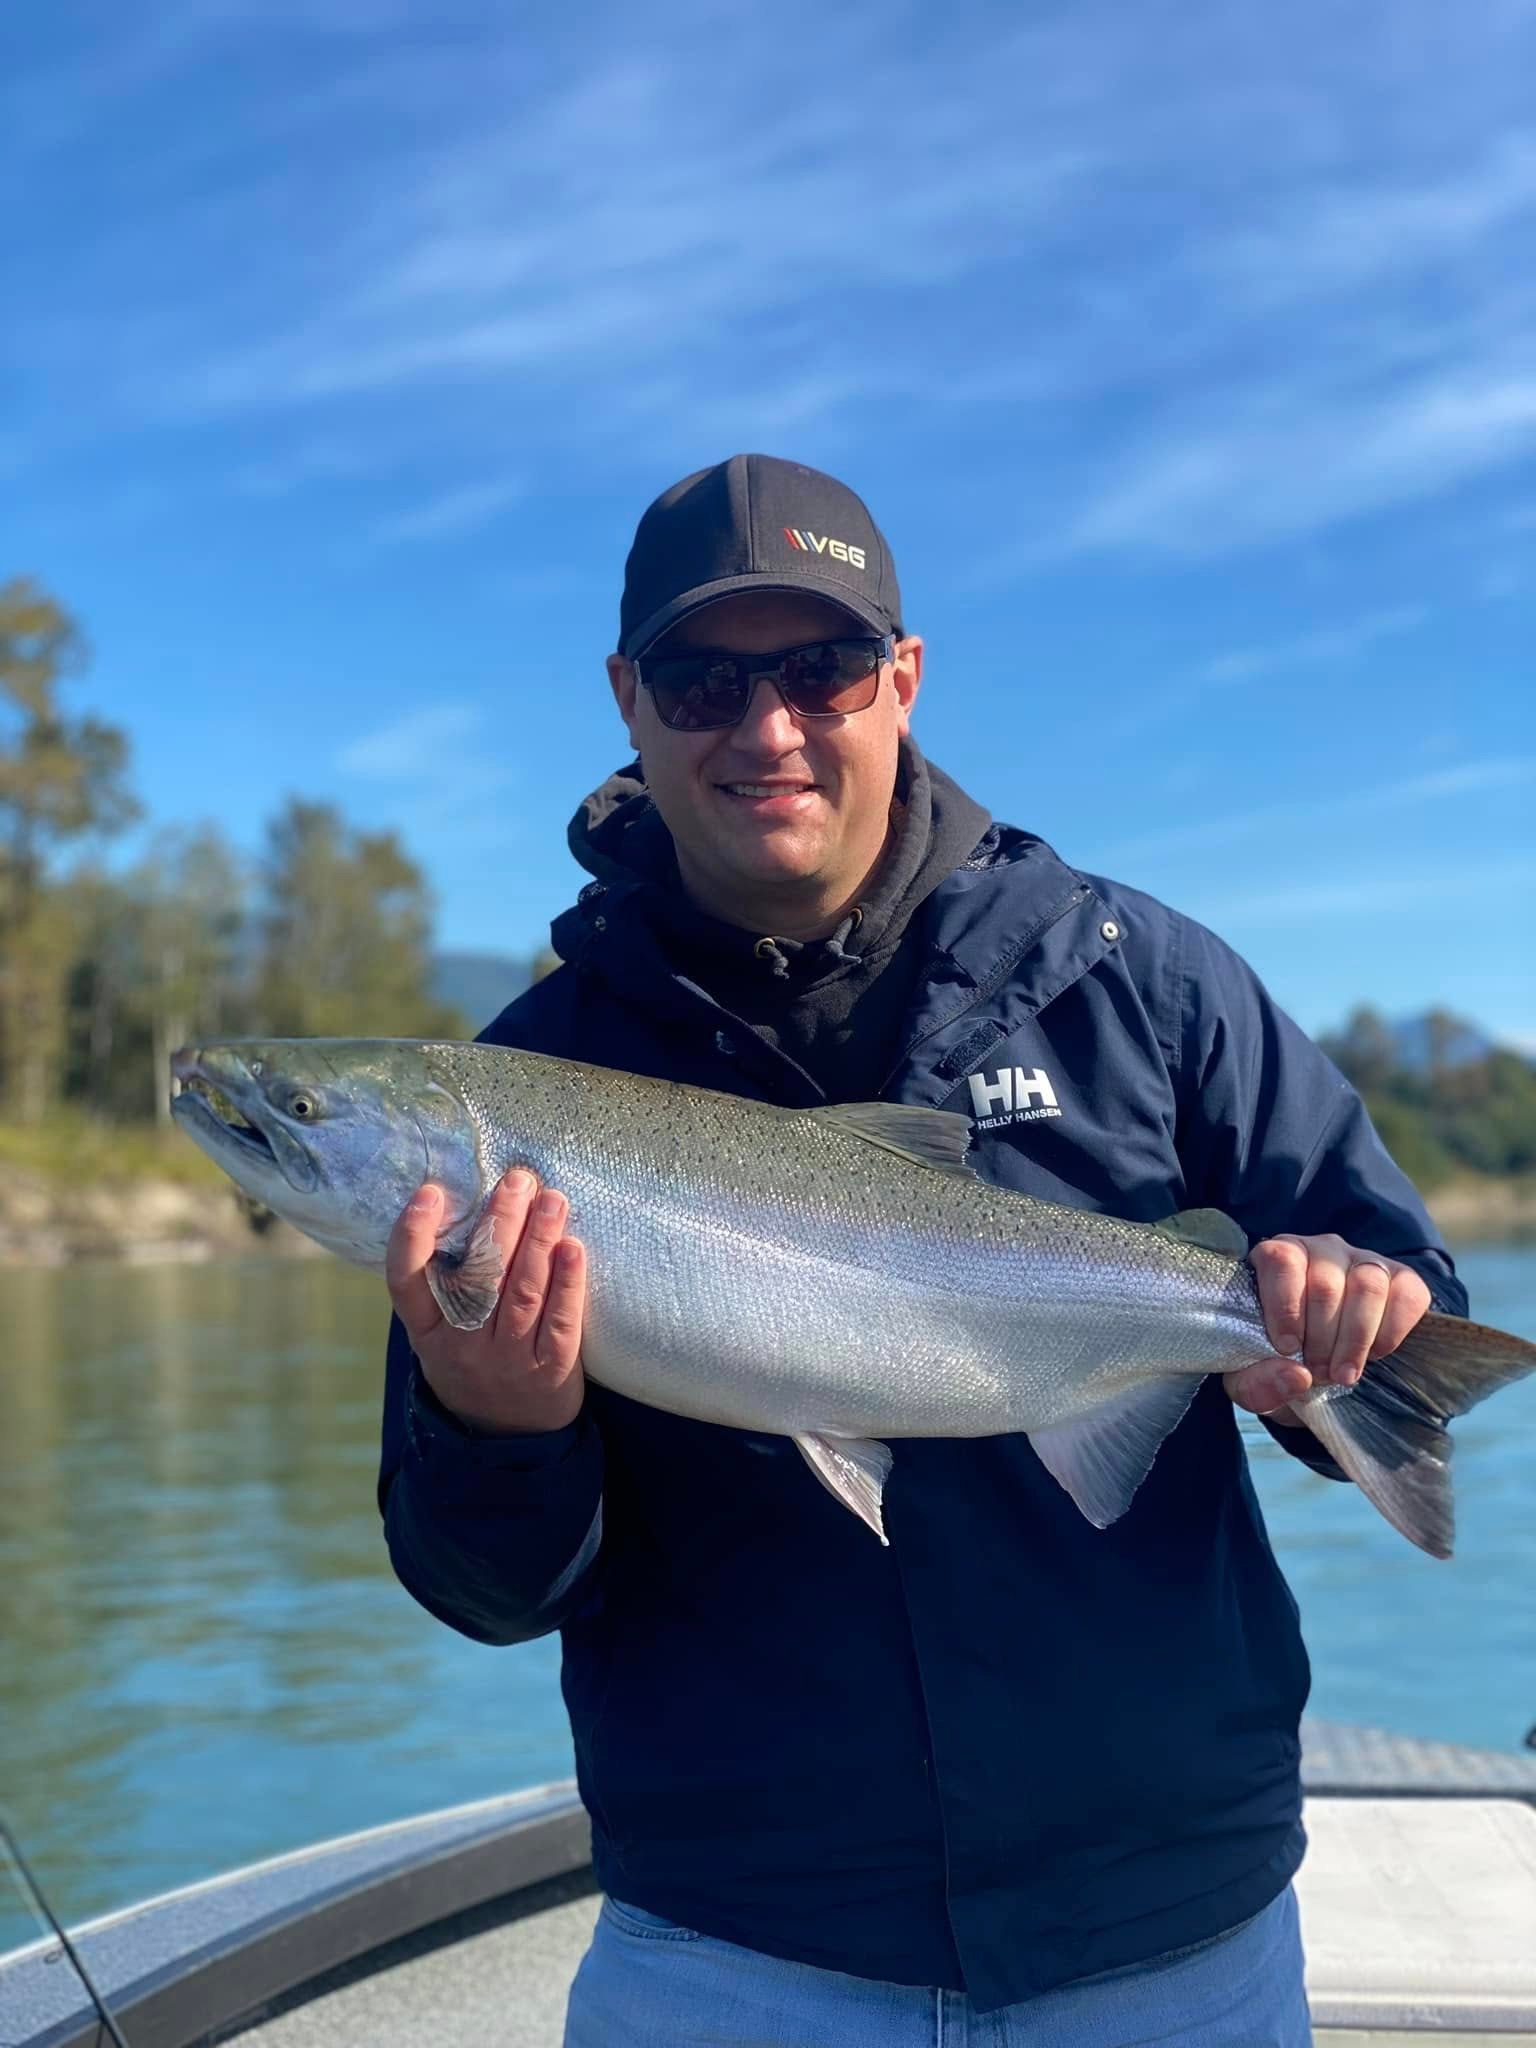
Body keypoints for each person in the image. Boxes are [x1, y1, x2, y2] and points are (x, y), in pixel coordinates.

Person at [377, 454, 1466, 2046]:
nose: (767, 731)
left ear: (904, 678)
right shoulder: (521, 1098)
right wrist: (499, 1425)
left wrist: (1346, 1331)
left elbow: (1416, 1306)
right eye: (701, 680)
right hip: (733, 1952)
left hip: (1171, 1936)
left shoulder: (1139, 979)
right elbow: (480, 1588)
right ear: (626, 698)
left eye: (820, 669)